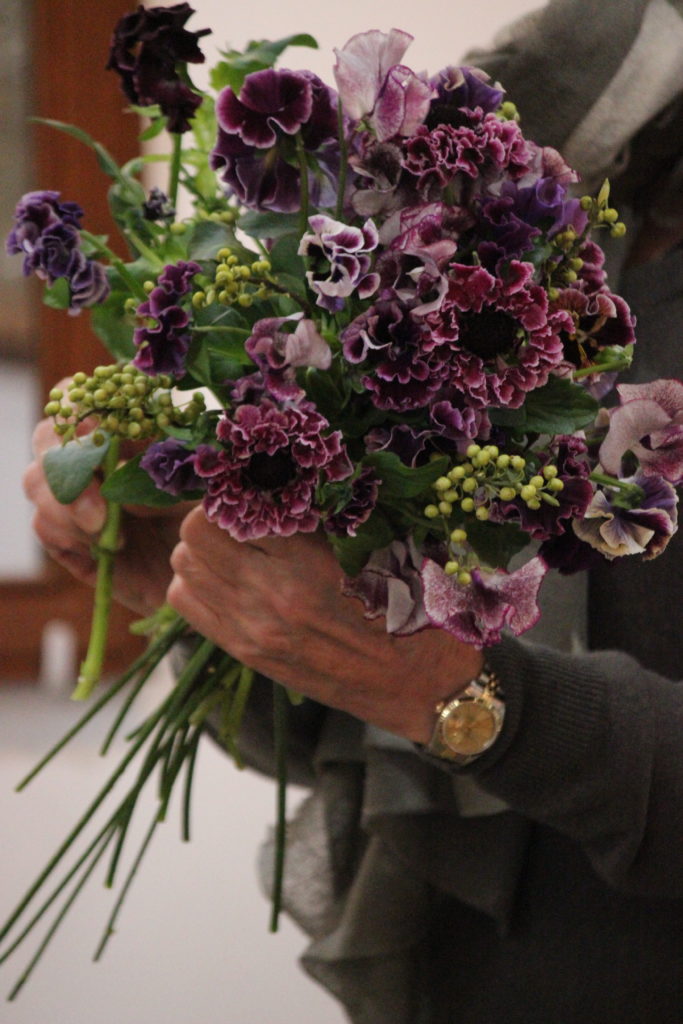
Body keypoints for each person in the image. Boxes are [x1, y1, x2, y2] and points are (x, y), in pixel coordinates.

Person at [22, 1, 683, 1020]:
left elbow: (433, 693)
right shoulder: (547, 168)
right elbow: (327, 732)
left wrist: (472, 704)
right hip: (448, 981)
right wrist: (200, 601)